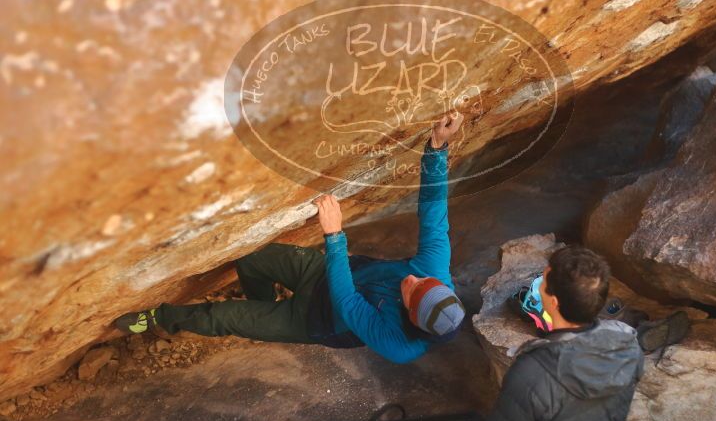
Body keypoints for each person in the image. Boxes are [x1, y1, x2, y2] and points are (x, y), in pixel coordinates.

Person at [114, 113, 466, 364]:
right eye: (424, 280)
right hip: (326, 273)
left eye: (412, 290)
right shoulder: (434, 273)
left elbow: (346, 300)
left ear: (411, 316)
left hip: (315, 320)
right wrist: (436, 148)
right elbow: (434, 213)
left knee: (222, 317)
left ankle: (160, 317)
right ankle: (262, 305)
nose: (412, 278)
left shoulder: (399, 345)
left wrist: (334, 235)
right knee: (251, 258)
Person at [460, 246, 644, 421]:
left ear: (553, 302)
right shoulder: (628, 350)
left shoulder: (534, 372)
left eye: (543, 282)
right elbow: (617, 420)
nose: (538, 285)